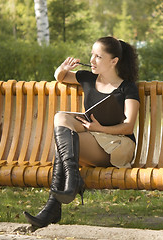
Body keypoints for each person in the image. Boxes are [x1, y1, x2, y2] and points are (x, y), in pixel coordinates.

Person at [24, 36, 140, 228]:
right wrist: (63, 68)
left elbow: (128, 126)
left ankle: (53, 207)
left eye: (98, 57)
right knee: (61, 119)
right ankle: (71, 179)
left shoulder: (127, 88)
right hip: (93, 137)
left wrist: (100, 128)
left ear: (114, 61)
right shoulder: (87, 78)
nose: (92, 60)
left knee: (65, 143)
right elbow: (60, 77)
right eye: (92, 55)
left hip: (117, 145)